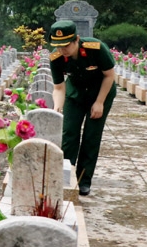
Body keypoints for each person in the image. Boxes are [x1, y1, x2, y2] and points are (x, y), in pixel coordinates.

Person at [48, 20, 116, 196]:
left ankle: (83, 180)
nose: (62, 50)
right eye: (58, 46)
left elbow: (109, 76)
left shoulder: (97, 48)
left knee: (91, 136)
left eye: (66, 46)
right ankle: (65, 176)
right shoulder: (56, 58)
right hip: (75, 94)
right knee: (69, 134)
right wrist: (57, 108)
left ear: (76, 39)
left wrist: (100, 102)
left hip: (100, 92)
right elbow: (59, 87)